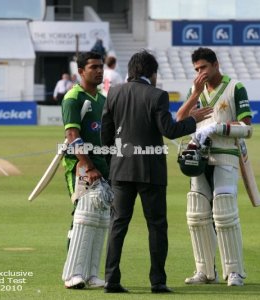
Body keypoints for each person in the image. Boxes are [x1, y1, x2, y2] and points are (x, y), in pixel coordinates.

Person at [101, 50, 213, 294]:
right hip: (150, 171)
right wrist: (192, 119)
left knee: (118, 225)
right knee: (157, 226)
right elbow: (170, 130)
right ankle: (157, 281)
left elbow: (106, 133)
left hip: (120, 170)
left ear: (131, 70)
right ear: (151, 73)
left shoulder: (114, 92)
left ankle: (111, 279)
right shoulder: (157, 95)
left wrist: (114, 161)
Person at [176, 47, 253, 287]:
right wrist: (194, 94)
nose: (200, 73)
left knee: (224, 212)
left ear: (216, 64)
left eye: (203, 68)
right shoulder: (195, 90)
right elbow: (179, 121)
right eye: (197, 69)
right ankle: (205, 272)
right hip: (199, 158)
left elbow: (247, 127)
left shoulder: (234, 87)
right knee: (197, 214)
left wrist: (217, 128)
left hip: (226, 155)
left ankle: (234, 272)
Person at [61, 51, 110, 289]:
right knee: (83, 217)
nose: (99, 71)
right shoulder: (73, 98)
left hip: (102, 166)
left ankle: (91, 274)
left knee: (101, 219)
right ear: (81, 71)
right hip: (80, 166)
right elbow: (72, 135)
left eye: (101, 67)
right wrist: (87, 165)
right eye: (93, 67)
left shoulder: (102, 99)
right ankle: (73, 274)